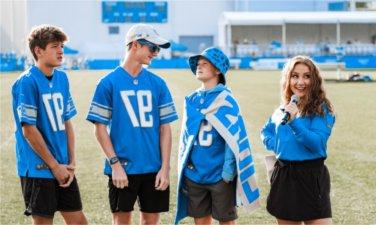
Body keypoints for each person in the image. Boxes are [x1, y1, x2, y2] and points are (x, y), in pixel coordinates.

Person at [86, 23, 178, 225]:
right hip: (122, 168)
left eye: (157, 49)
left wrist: (165, 168)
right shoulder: (108, 83)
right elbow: (99, 128)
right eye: (152, 48)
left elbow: (165, 128)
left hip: (153, 168)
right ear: (135, 44)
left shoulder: (158, 83)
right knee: (121, 222)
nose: (155, 53)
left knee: (151, 222)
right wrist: (115, 165)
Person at [11, 25, 87, 225]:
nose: (61, 50)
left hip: (63, 166)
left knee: (78, 221)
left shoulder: (62, 78)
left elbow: (66, 122)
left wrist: (71, 163)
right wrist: (54, 166)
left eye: (61, 46)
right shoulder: (27, 82)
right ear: (39, 50)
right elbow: (29, 130)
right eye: (55, 46)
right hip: (39, 168)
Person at [175, 47, 260, 225]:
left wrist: (227, 172)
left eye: (205, 63)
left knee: (226, 221)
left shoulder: (227, 100)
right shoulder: (191, 100)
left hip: (219, 175)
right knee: (200, 221)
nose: (199, 66)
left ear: (218, 69)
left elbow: (233, 139)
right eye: (198, 63)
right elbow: (186, 137)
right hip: (195, 174)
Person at [261, 55, 335, 225]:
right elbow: (265, 132)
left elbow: (317, 143)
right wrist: (278, 145)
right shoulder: (283, 109)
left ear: (314, 79)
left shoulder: (322, 109)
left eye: (306, 76)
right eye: (295, 76)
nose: (300, 82)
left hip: (311, 177)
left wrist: (294, 123)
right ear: (288, 79)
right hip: (284, 177)